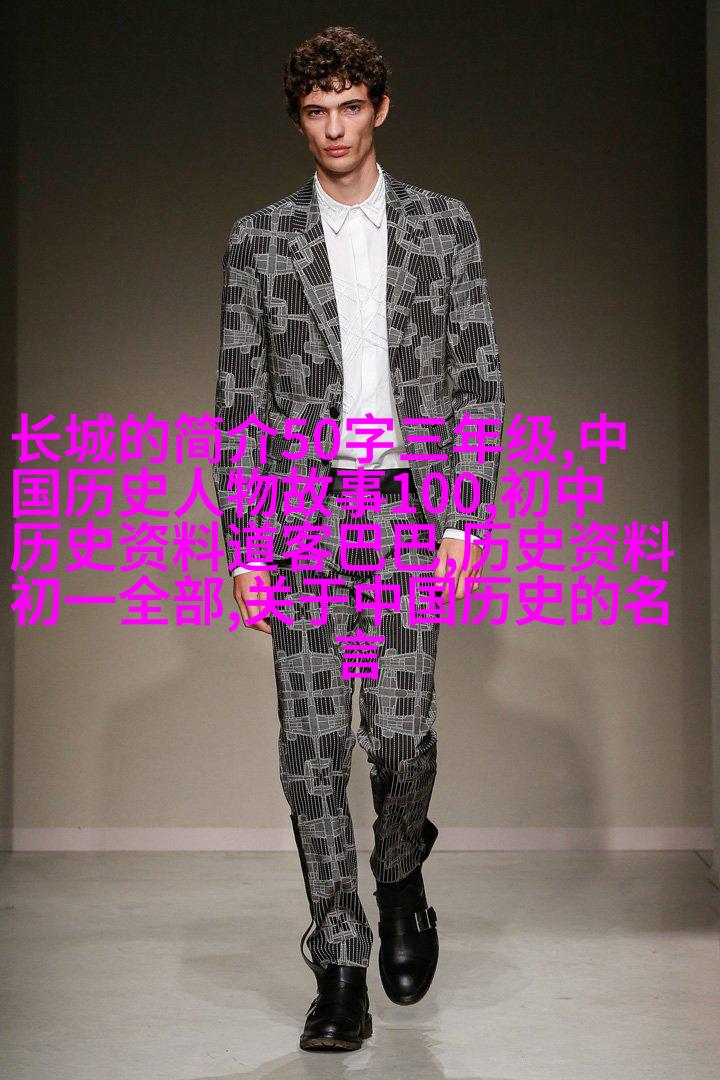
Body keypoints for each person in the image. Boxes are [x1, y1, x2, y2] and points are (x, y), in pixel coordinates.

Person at [212, 24, 504, 1052]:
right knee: (311, 750)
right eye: (316, 111)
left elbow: (478, 375)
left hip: (409, 509)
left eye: (350, 106)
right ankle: (339, 962)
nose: (334, 127)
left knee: (403, 735)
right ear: (299, 120)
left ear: (380, 107)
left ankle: (400, 872)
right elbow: (240, 399)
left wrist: (465, 513)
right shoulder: (260, 240)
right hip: (301, 512)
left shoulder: (444, 227)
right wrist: (245, 544)